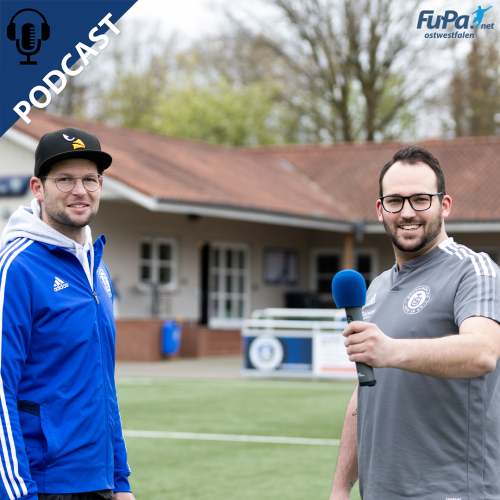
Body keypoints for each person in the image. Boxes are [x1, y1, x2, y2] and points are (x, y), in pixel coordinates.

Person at [330, 146, 500, 500]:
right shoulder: (377, 287)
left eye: (421, 199)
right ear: (380, 210)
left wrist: (390, 350)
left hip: (452, 491)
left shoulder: (473, 269)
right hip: (380, 492)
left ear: (444, 205)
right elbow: (365, 391)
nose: (407, 212)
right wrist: (341, 486)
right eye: (395, 201)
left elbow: (483, 352)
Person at [0, 127, 136, 500]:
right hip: (42, 485)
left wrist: (120, 480)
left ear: (100, 186)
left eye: (90, 179)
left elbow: (104, 385)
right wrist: (19, 493)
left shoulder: (97, 269)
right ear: (38, 188)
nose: (80, 190)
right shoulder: (16, 268)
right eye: (64, 179)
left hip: (99, 481)